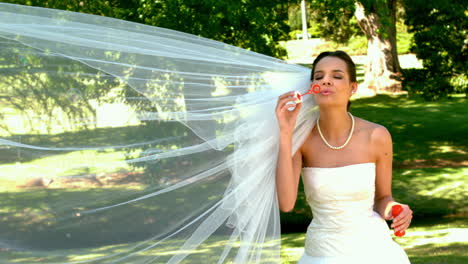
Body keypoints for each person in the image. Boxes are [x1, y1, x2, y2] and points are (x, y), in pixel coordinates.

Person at [275, 51, 413, 263]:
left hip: (375, 251)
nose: (326, 80)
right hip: (321, 253)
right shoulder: (300, 139)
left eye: (337, 76)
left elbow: (382, 198)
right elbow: (286, 204)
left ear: (353, 88)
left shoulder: (377, 136)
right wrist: (285, 133)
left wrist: (396, 210)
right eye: (319, 76)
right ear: (312, 88)